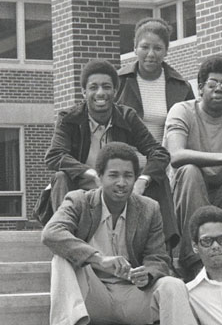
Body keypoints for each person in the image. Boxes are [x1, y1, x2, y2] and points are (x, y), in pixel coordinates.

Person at [40, 142, 211, 325]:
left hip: (132, 296)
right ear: (99, 178)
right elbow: (51, 234)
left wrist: (149, 273)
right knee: (61, 259)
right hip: (91, 298)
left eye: (128, 176)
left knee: (173, 285)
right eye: (114, 175)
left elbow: (159, 257)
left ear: (135, 178)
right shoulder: (78, 201)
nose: (121, 183)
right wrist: (98, 259)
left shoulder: (148, 208)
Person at [43, 59, 178, 248]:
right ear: (84, 92)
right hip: (83, 188)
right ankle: (68, 246)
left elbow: (159, 153)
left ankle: (165, 250)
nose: (100, 93)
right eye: (93, 87)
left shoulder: (126, 116)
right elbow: (54, 155)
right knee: (60, 177)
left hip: (117, 184)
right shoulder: (69, 119)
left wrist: (142, 180)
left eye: (106, 87)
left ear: (115, 91)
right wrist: (91, 174)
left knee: (158, 177)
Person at [164, 55, 222, 279]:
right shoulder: (182, 110)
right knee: (190, 170)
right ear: (201, 88)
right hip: (180, 196)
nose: (218, 89)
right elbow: (176, 155)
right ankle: (193, 259)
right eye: (212, 84)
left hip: (217, 196)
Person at [116, 17, 194, 142]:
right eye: (145, 47)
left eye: (157, 48)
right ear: (135, 48)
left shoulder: (182, 87)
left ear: (166, 51)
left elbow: (192, 129)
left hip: (166, 158)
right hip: (125, 158)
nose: (151, 54)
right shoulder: (117, 82)